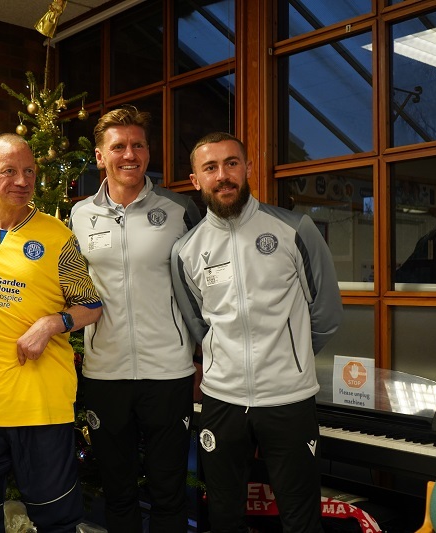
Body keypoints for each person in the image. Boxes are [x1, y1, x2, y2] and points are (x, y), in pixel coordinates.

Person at [171, 132, 343, 533]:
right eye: (210, 168)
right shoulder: (185, 250)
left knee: (301, 517)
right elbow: (198, 323)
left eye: (232, 163)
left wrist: (291, 354)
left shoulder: (294, 229)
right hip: (222, 400)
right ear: (195, 180)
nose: (223, 175)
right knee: (224, 515)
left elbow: (327, 312)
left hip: (289, 399)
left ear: (248, 169)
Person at [0, 133, 103, 532]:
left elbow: (91, 305)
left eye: (29, 171)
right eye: (9, 171)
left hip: (41, 406)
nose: (22, 180)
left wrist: (53, 323)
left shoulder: (58, 236)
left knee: (56, 520)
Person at [68, 106, 202, 532]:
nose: (130, 154)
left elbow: (205, 286)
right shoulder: (78, 216)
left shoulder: (180, 210)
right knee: (117, 489)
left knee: (168, 489)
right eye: (119, 146)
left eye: (138, 144)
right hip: (105, 371)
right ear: (100, 156)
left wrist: (201, 353)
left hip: (169, 371)